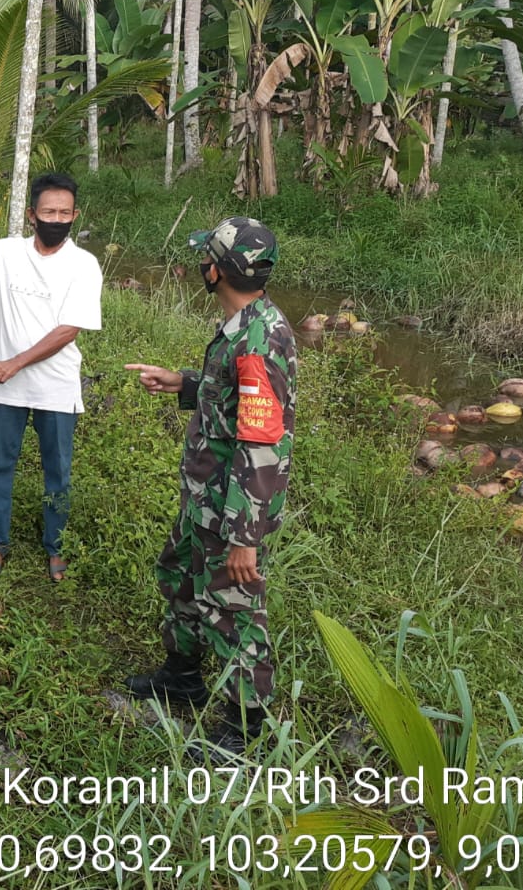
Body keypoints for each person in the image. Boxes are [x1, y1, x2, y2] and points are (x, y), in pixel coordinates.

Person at [122, 217, 296, 759]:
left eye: (206, 259)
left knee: (235, 612)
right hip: (205, 497)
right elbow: (232, 400)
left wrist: (245, 536)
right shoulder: (242, 325)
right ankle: (182, 677)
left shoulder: (258, 340)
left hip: (230, 507)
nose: (201, 265)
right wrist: (184, 383)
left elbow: (263, 440)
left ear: (217, 270)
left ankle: (244, 733)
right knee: (180, 578)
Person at [0, 173, 103, 582]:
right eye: (49, 211)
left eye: (65, 212)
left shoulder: (84, 264)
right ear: (32, 215)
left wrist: (15, 362)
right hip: (4, 385)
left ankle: (56, 546)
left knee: (58, 472)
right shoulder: (6, 253)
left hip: (56, 386)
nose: (57, 218)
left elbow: (69, 330)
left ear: (75, 216)